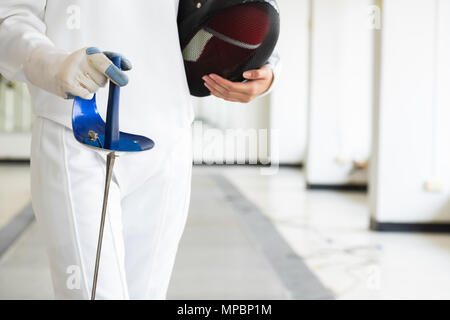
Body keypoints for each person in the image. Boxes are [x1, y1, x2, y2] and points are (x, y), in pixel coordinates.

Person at [0, 0, 280, 299]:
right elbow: (9, 17)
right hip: (77, 128)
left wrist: (266, 68)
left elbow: (255, 7)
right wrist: (53, 64)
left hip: (169, 139)